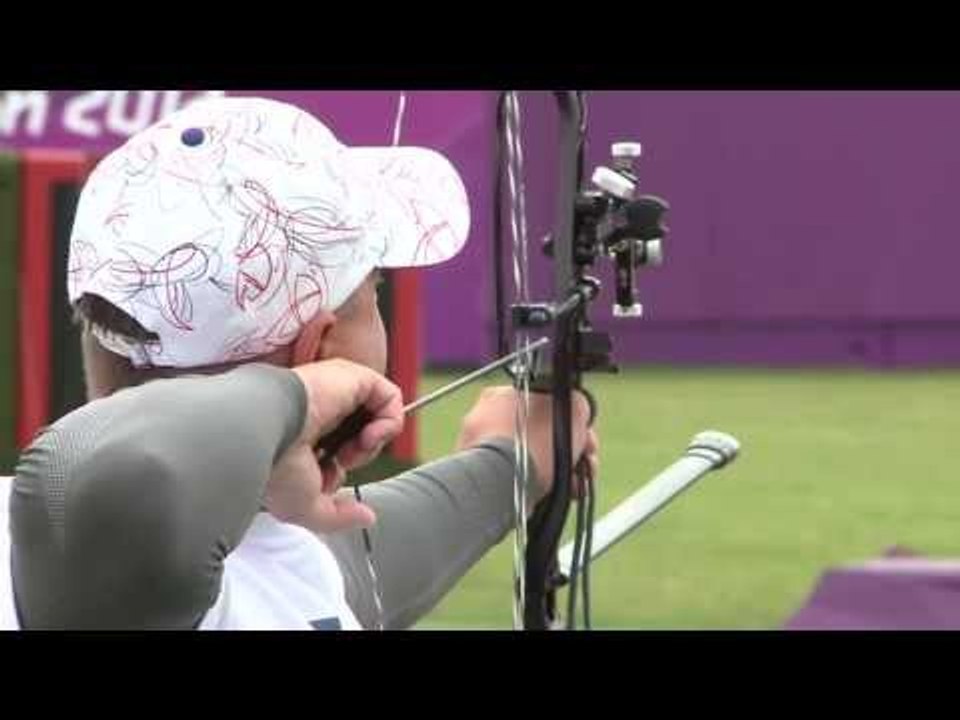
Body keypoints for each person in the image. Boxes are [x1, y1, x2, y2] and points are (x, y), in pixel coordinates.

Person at [0, 96, 597, 630]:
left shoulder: (282, 558)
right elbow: (133, 479)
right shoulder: (80, 551)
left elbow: (365, 568)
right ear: (322, 347)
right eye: (373, 293)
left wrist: (509, 462)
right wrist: (298, 397)